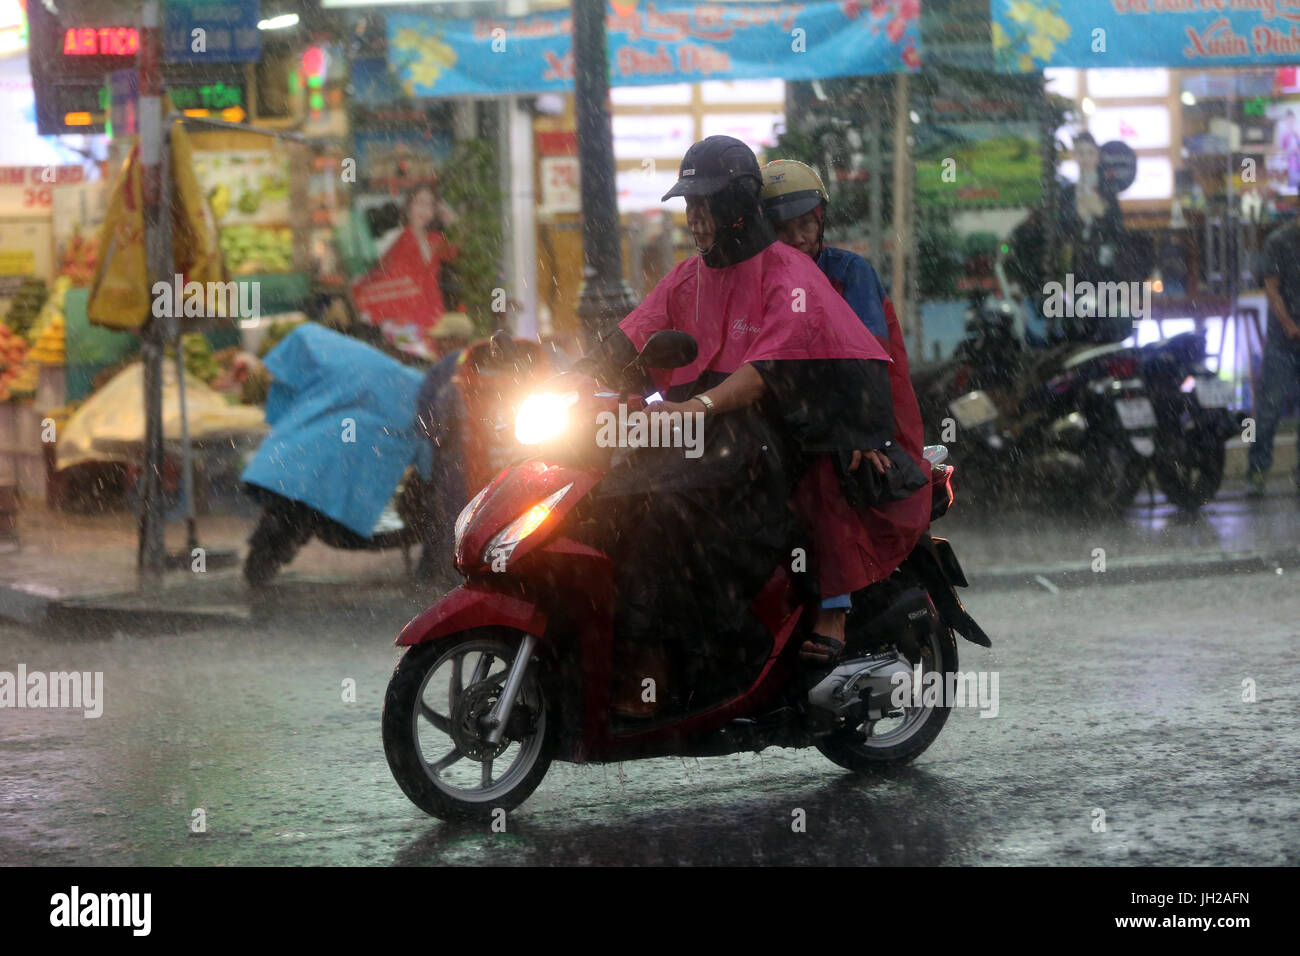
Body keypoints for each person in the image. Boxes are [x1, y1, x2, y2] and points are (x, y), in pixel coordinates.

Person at [575, 136, 906, 715]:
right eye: (689, 206)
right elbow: (631, 337)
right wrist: (568, 377)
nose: (694, 219)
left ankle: (674, 658)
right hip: (698, 439)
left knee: (661, 514)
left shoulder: (791, 273)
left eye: (704, 205)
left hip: (762, 449)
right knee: (606, 495)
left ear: (737, 205)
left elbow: (765, 368)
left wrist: (698, 408)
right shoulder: (688, 276)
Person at [760, 159, 932, 662]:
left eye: (806, 224)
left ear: (821, 222)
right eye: (783, 230)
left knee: (822, 476)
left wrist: (862, 435)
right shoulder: (761, 283)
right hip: (798, 421)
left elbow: (866, 363)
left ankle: (834, 611)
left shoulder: (849, 273)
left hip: (870, 424)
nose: (798, 238)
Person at [353, 182, 459, 355]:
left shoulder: (435, 240)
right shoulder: (399, 240)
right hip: (406, 322)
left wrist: (447, 214)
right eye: (419, 203)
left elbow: (457, 249)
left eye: (430, 205)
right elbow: (389, 280)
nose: (424, 210)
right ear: (409, 207)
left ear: (435, 211)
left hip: (433, 317)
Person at [413, 312, 477, 582]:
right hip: (487, 454)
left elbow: (427, 418)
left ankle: (445, 577)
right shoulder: (485, 360)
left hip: (454, 458)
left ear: (456, 340)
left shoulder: (445, 367)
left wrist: (434, 441)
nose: (437, 345)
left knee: (450, 516)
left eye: (442, 340)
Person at [1246, 219, 1300, 497]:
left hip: (1288, 336)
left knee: (1269, 407)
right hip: (1283, 341)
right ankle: (1256, 470)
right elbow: (1272, 288)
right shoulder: (1280, 241)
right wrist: (1290, 326)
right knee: (1268, 410)